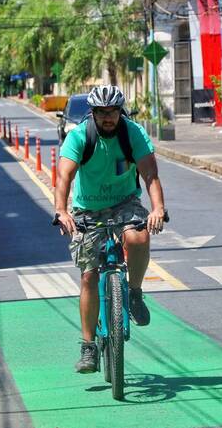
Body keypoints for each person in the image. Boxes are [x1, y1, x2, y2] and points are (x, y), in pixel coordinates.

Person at [55, 85, 166, 374]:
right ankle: (88, 347)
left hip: (125, 202)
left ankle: (135, 292)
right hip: (86, 209)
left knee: (138, 236)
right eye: (102, 112)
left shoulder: (133, 134)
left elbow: (150, 175)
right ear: (92, 113)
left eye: (113, 111)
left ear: (120, 111)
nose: (108, 118)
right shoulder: (80, 136)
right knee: (89, 276)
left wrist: (157, 209)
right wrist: (61, 211)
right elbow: (65, 175)